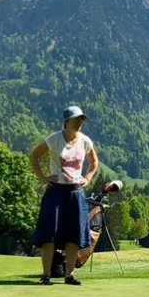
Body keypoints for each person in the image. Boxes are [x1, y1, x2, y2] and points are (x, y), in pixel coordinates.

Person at [29, 105, 99, 285]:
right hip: (56, 191)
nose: (79, 123)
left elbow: (93, 162)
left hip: (76, 192)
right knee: (49, 235)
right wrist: (43, 177)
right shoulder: (53, 140)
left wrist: (88, 178)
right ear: (66, 122)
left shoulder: (85, 141)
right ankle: (46, 275)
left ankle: (69, 275)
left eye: (81, 120)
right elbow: (34, 156)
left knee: (73, 235)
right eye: (76, 120)